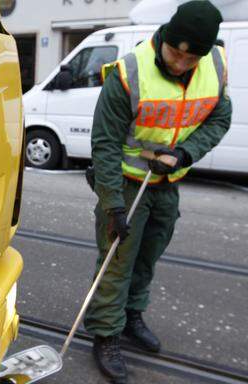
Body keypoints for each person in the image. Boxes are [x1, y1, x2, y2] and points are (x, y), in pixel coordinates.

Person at [85, 1, 232, 383]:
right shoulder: (128, 73)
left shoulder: (214, 65)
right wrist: (113, 205)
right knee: (116, 262)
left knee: (147, 257)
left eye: (190, 58)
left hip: (166, 185)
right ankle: (105, 333)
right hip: (124, 184)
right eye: (174, 53)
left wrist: (185, 153)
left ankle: (132, 314)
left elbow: (220, 117)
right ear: (164, 37)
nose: (181, 64)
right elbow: (104, 143)